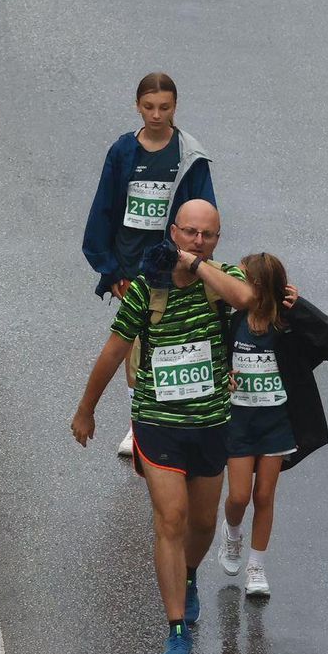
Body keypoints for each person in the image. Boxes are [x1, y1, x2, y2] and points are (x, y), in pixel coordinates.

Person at [72, 200, 251, 654]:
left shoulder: (222, 279)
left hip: (211, 423)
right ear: (173, 231)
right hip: (157, 420)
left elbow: (248, 300)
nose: (196, 240)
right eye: (189, 233)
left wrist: (198, 266)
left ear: (216, 238)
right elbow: (114, 351)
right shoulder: (146, 289)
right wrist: (85, 410)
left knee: (202, 525)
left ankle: (189, 574)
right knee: (170, 518)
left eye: (206, 235)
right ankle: (175, 633)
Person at [82, 73, 217, 457]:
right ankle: (136, 425)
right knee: (135, 342)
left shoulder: (190, 156)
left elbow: (206, 212)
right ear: (137, 106)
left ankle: (176, 413)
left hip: (176, 267)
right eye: (148, 107)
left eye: (165, 107)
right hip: (132, 270)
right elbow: (103, 211)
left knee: (171, 340)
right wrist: (111, 272)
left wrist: (195, 259)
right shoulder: (123, 152)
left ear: (176, 107)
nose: (156, 115)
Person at [217, 253, 328, 598]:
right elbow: (213, 353)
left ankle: (256, 567)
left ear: (258, 286)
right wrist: (221, 374)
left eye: (242, 280)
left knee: (264, 495)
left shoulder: (286, 326)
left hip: (276, 425)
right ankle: (232, 534)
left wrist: (300, 306)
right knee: (239, 496)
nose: (235, 286)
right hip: (239, 422)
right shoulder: (231, 320)